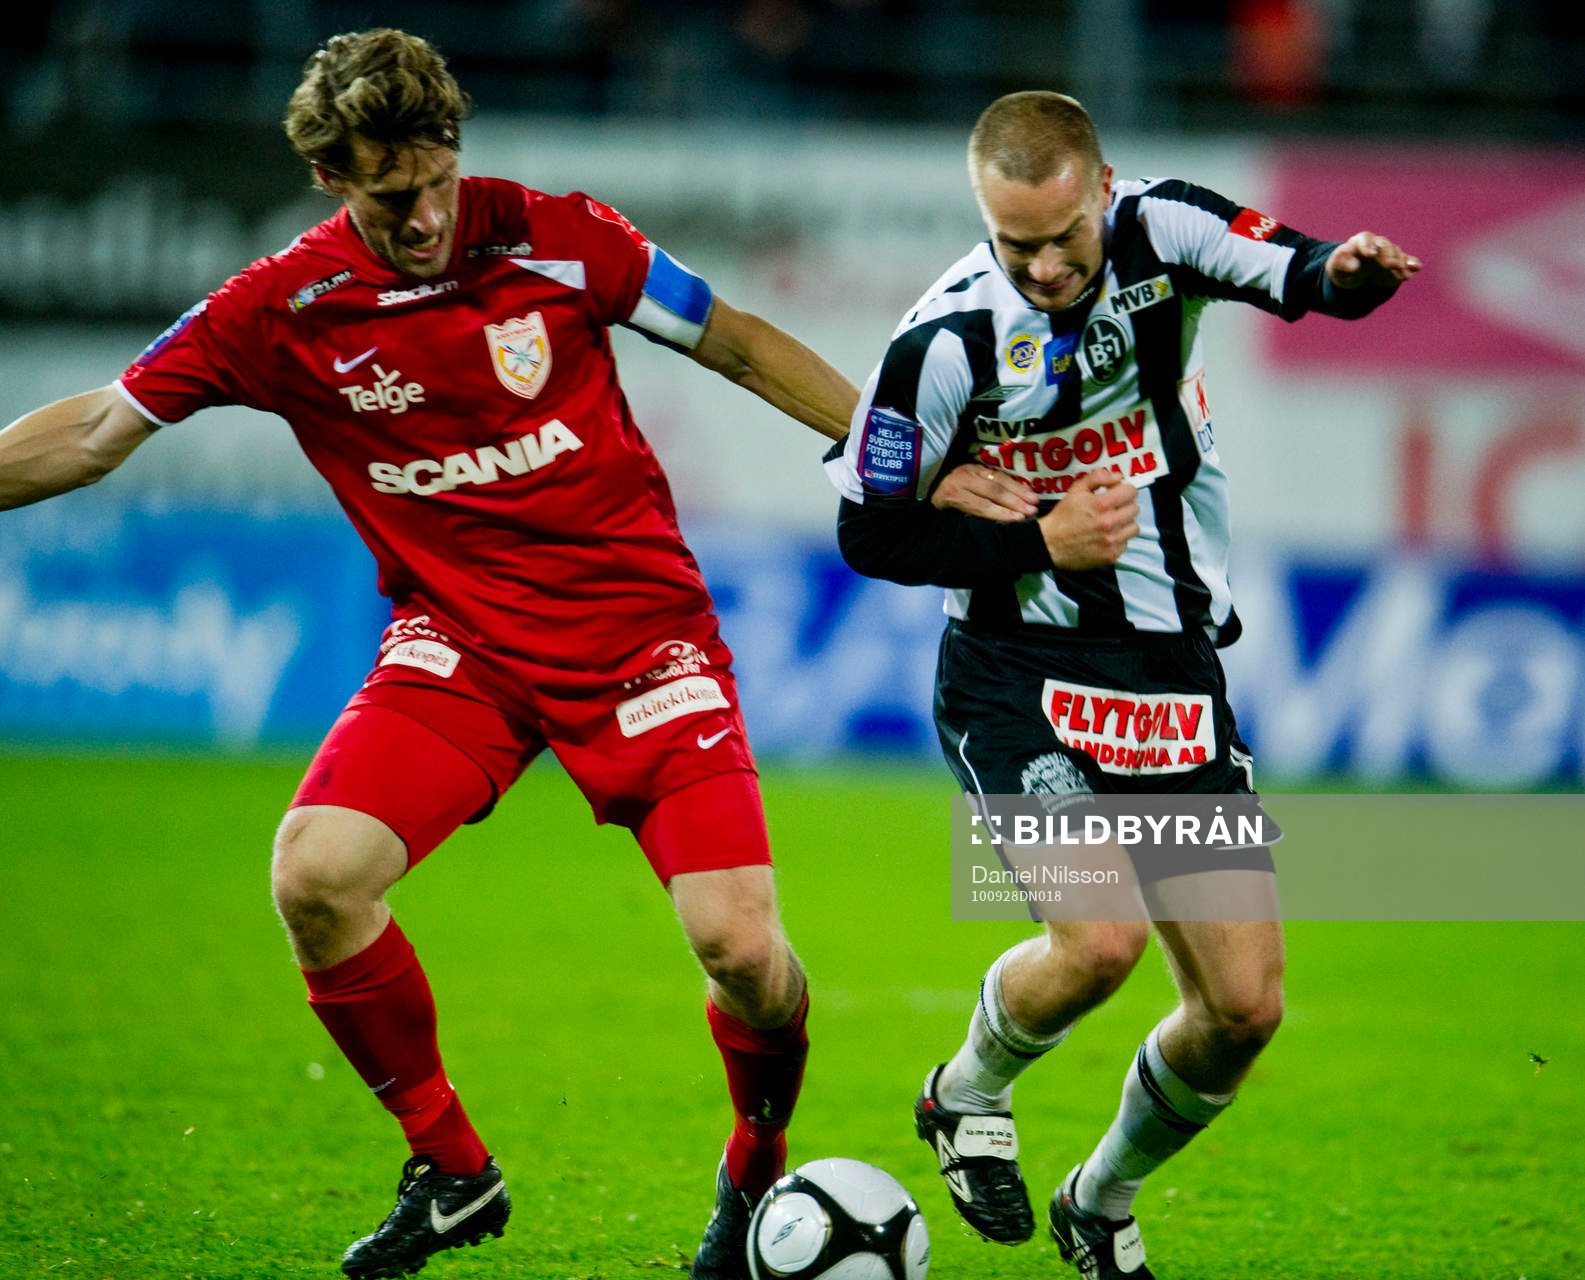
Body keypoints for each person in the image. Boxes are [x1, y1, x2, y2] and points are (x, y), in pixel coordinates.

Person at [0, 29, 861, 1280]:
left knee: (742, 950)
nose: (421, 216)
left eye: (435, 181)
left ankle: (755, 1159)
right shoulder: (279, 308)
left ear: (457, 146)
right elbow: (93, 430)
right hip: (461, 649)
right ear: (328, 178)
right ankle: (453, 1169)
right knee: (316, 874)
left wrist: (895, 447)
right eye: (386, 194)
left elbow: (733, 339)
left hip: (640, 639)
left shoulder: (564, 236)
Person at [826, 91, 1420, 1279]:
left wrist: (1348, 274)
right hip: (1016, 673)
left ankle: (1098, 1200)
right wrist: (1034, 543)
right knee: (1097, 939)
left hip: (1169, 673)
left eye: (1062, 237)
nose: (1044, 268)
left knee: (1242, 1008)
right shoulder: (942, 341)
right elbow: (867, 532)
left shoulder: (1163, 229)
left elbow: (1297, 270)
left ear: (1101, 189)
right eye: (1015, 244)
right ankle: (963, 1092)